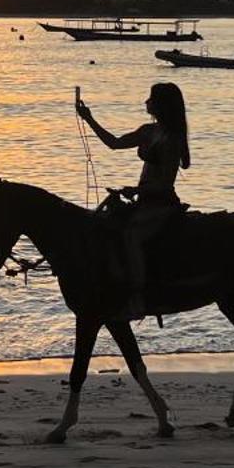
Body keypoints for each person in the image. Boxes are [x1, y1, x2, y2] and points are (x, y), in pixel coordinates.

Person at [76, 82, 191, 322]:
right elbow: (114, 143)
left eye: (151, 98)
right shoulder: (148, 131)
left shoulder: (172, 138)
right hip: (144, 200)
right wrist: (89, 118)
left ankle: (137, 297)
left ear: (162, 105)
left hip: (161, 203)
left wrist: (135, 189)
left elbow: (164, 184)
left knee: (132, 236)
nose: (146, 102)